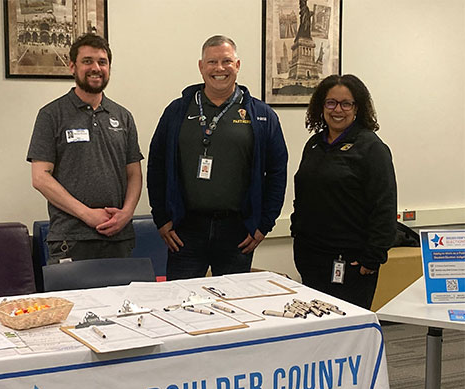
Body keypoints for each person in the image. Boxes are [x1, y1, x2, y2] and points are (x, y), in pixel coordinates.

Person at [147, 35, 288, 280]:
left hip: (238, 231)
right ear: (201, 67)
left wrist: (264, 224)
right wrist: (161, 219)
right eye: (212, 62)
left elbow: (277, 172)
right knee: (180, 305)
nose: (219, 69)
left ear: (238, 65)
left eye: (226, 61)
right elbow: (156, 165)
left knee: (232, 307)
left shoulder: (262, 116)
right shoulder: (177, 111)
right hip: (184, 230)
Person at [27, 33, 143, 264]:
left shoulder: (123, 116)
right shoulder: (51, 115)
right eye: (87, 61)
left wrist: (127, 213)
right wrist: (87, 214)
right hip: (71, 240)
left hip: (118, 238)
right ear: (72, 66)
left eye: (102, 62)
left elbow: (134, 174)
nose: (96, 68)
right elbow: (40, 177)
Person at [290, 74, 397, 309]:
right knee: (315, 328)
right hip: (311, 257)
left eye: (346, 103)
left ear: (357, 107)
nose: (338, 109)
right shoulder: (315, 144)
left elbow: (385, 206)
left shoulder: (372, 148)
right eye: (331, 102)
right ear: (321, 106)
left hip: (352, 263)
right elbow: (304, 194)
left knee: (346, 334)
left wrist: (373, 256)